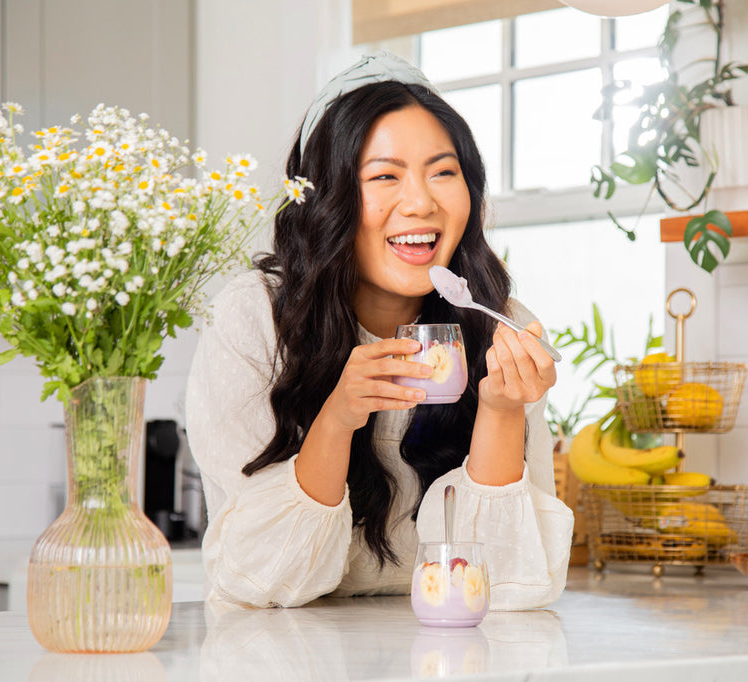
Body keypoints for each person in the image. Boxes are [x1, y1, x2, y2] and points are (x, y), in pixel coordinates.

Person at [185, 52, 574, 610]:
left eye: (444, 172)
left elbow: (505, 585)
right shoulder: (257, 318)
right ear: (325, 197)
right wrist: (340, 417)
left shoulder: (495, 320)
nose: (420, 202)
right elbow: (258, 582)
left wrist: (502, 412)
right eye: (384, 176)